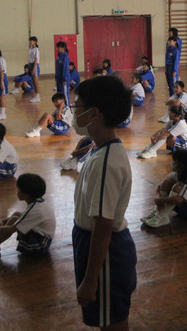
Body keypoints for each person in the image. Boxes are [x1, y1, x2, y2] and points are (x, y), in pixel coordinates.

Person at [71, 75, 136, 329]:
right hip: (91, 244)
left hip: (106, 255)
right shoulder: (98, 150)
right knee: (104, 318)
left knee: (112, 323)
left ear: (93, 113)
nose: (74, 112)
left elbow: (103, 224)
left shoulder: (107, 161)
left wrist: (90, 279)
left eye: (77, 107)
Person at [0, 173, 56, 260]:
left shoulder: (36, 210)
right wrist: (4, 221)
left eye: (18, 190)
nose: (17, 192)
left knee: (15, 220)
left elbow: (12, 229)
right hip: (42, 238)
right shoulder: (38, 203)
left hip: (40, 245)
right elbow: (23, 218)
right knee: (16, 214)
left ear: (26, 194)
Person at [141, 149, 187, 228]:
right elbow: (158, 186)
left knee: (177, 187)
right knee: (166, 183)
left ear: (182, 165)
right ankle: (157, 212)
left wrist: (160, 200)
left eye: (174, 161)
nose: (172, 163)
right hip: (179, 207)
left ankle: (162, 216)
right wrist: (158, 199)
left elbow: (179, 200)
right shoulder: (176, 174)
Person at [55, 41, 71, 106]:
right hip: (58, 79)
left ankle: (67, 107)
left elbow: (65, 69)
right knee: (59, 94)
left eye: (59, 47)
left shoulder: (65, 57)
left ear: (63, 48)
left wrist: (64, 79)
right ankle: (62, 107)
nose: (57, 49)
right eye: (57, 47)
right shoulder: (58, 58)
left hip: (64, 80)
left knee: (65, 94)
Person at [27, 36, 42, 103]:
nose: (30, 42)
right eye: (30, 41)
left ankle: (38, 96)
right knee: (33, 82)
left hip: (34, 65)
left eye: (31, 41)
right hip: (30, 64)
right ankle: (36, 95)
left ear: (35, 41)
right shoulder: (31, 49)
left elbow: (36, 59)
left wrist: (34, 68)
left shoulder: (36, 49)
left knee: (36, 82)